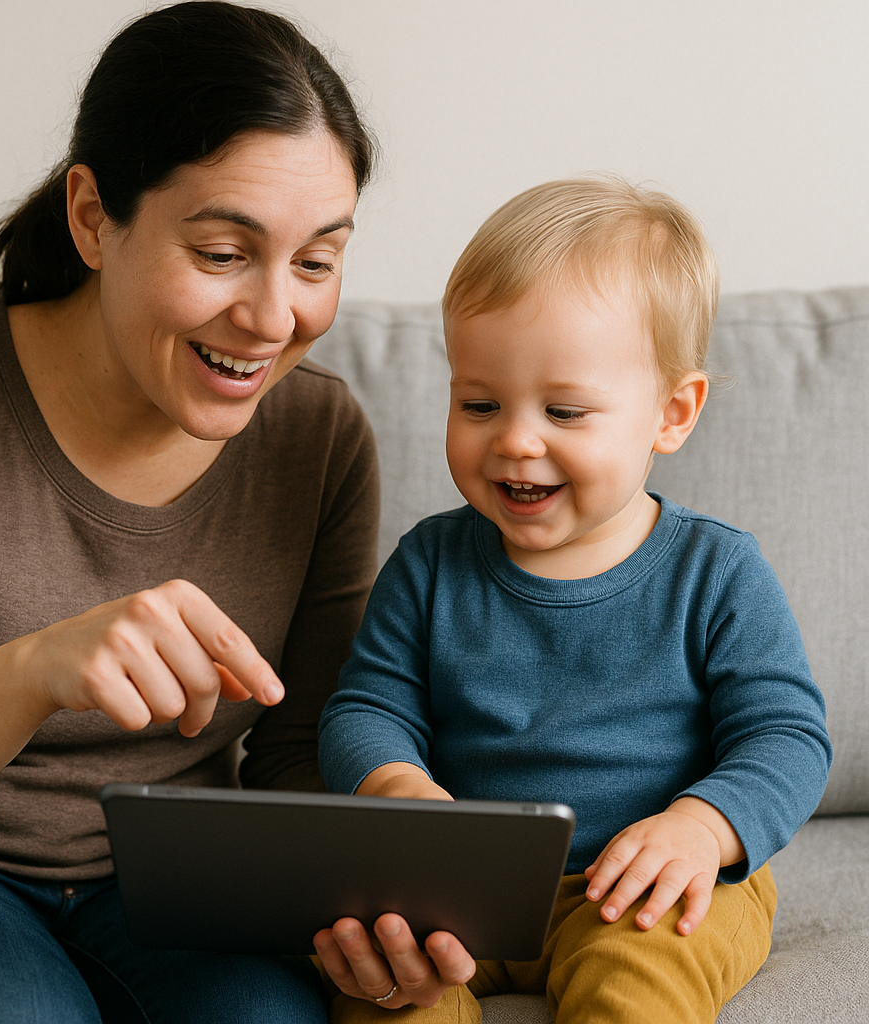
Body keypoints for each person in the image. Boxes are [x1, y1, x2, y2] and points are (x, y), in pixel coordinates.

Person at [0, 3, 437, 1021]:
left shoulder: (319, 434)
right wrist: (38, 669)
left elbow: (296, 751)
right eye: (222, 252)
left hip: (177, 882)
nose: (273, 318)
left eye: (315, 260)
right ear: (92, 216)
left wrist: (376, 903)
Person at [315, 178, 833, 1023]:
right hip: (464, 888)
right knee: (381, 982)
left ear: (672, 414)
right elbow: (366, 708)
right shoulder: (430, 563)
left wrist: (702, 826)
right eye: (479, 403)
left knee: (638, 981)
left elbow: (787, 737)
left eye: (563, 410)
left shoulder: (717, 571)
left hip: (649, 886)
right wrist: (395, 783)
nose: (516, 439)